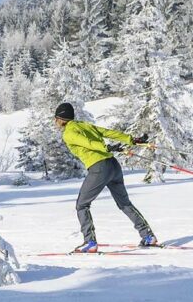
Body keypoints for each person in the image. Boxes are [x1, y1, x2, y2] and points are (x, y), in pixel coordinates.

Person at [54, 102, 157, 253]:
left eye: (55, 119)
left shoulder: (68, 133)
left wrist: (106, 147)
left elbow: (87, 143)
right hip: (113, 165)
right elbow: (108, 132)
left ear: (60, 119)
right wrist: (130, 139)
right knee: (124, 203)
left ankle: (90, 242)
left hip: (99, 168)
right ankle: (148, 236)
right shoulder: (84, 125)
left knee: (82, 205)